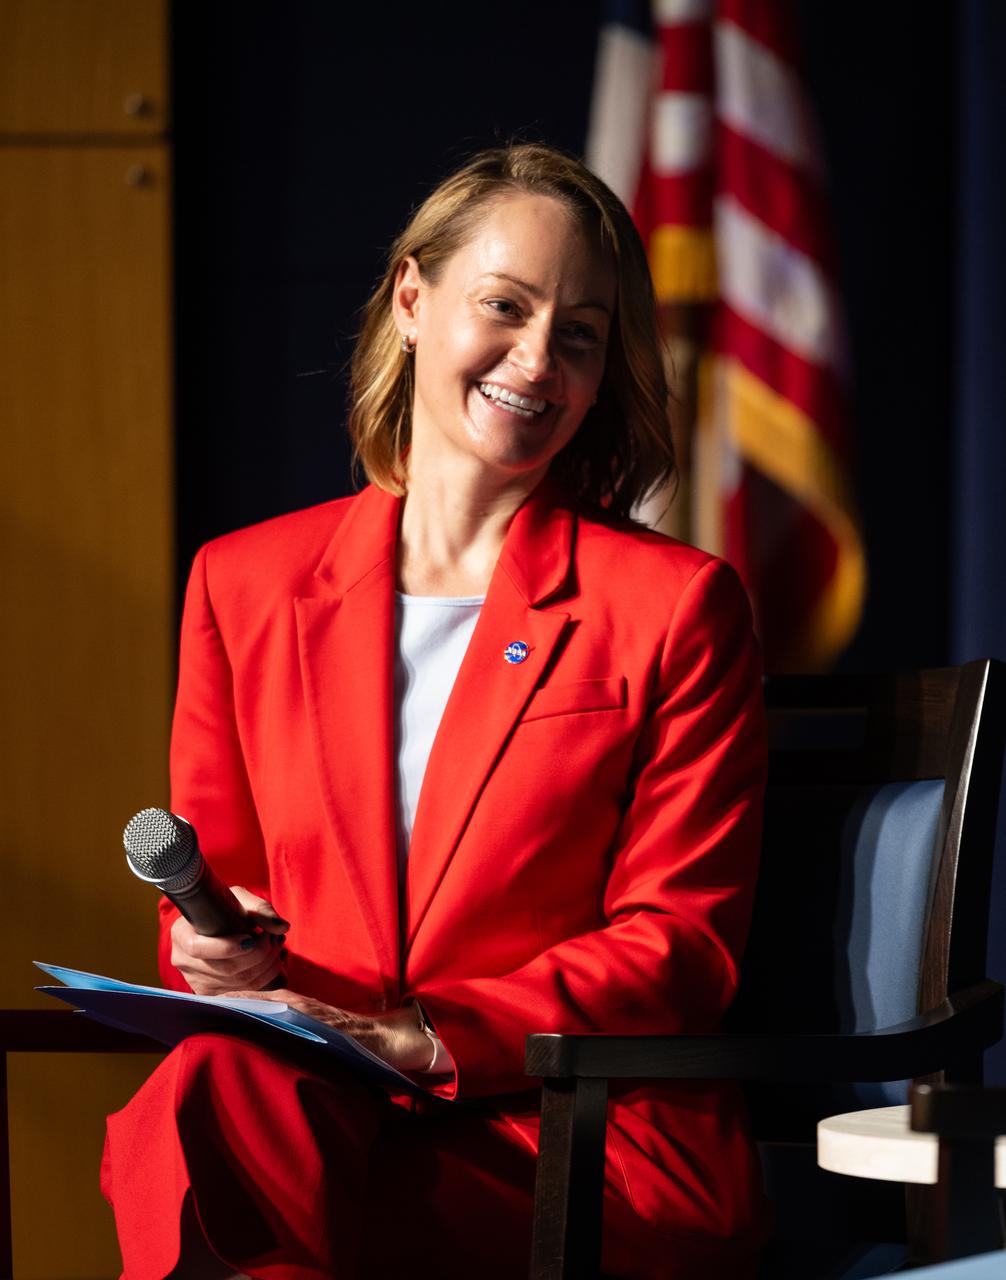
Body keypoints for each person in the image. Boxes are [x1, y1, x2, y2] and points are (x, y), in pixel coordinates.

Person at [101, 143, 768, 1280]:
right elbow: (208, 911)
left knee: (223, 1172)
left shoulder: (673, 605)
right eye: (504, 306)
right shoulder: (242, 583)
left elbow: (681, 941)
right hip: (314, 1110)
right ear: (413, 299)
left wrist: (437, 1031)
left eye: (580, 334)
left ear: (605, 372)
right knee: (219, 1096)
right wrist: (212, 949)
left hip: (570, 1136)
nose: (536, 358)